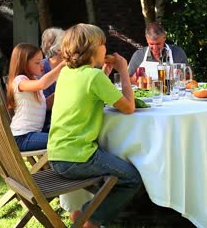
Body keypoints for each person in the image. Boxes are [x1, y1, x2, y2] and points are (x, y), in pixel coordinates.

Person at [48, 23, 142, 228]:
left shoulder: (67, 73)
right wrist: (124, 70)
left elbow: (88, 92)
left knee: (113, 169)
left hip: (56, 155)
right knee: (133, 178)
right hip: (77, 157)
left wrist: (105, 73)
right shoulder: (94, 76)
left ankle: (86, 213)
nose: (106, 49)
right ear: (92, 49)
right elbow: (128, 108)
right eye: (103, 44)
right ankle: (90, 218)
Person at [6, 43, 65, 151]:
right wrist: (62, 65)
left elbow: (44, 105)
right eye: (37, 62)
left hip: (32, 135)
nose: (42, 64)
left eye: (42, 61)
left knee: (66, 135)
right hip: (22, 137)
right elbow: (43, 84)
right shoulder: (20, 80)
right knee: (63, 140)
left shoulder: (33, 80)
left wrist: (62, 90)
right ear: (23, 64)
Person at [40, 27, 65, 98]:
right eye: (67, 44)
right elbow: (44, 104)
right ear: (58, 49)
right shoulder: (40, 67)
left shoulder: (72, 66)